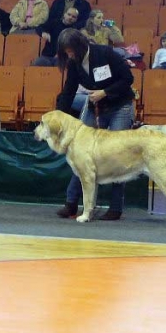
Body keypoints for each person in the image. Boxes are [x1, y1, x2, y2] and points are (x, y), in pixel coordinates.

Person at [55, 28, 135, 221]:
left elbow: (128, 79)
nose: (69, 55)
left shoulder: (105, 53)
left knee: (117, 154)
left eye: (71, 51)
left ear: (80, 46)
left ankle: (115, 207)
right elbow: (68, 91)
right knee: (79, 154)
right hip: (94, 105)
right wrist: (58, 117)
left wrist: (105, 92)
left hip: (119, 106)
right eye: (66, 52)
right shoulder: (74, 63)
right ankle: (71, 203)